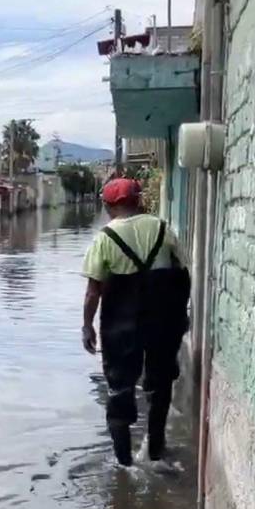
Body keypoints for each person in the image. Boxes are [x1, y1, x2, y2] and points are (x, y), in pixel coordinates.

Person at [80, 178, 191, 466]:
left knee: (119, 387)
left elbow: (94, 290)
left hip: (121, 325)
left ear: (107, 206)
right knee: (161, 382)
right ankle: (155, 451)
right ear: (139, 201)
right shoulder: (162, 228)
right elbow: (182, 268)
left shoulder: (105, 238)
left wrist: (87, 326)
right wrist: (182, 314)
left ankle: (123, 462)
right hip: (163, 321)